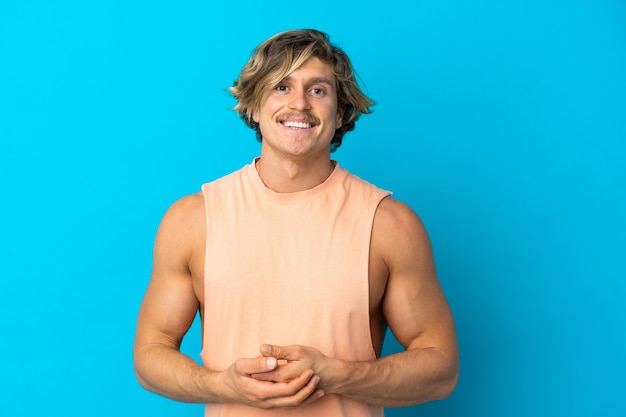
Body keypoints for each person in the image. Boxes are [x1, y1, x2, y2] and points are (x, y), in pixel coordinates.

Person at [133, 29, 459, 416]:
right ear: (253, 106)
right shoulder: (193, 219)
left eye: (318, 90)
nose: (299, 104)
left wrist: (337, 376)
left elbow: (441, 370)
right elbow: (150, 355)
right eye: (281, 87)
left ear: (340, 114)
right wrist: (221, 386)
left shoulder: (389, 224)